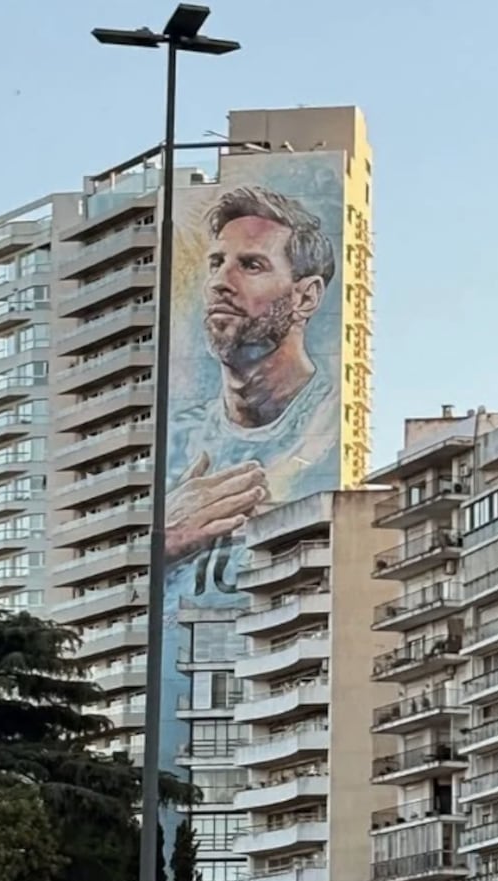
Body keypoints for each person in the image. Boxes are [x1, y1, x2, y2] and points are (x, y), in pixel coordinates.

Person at [165, 184, 339, 605]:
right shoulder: (173, 438)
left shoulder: (333, 433)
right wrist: (165, 540)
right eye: (215, 263)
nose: (220, 283)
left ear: (306, 296)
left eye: (252, 265)